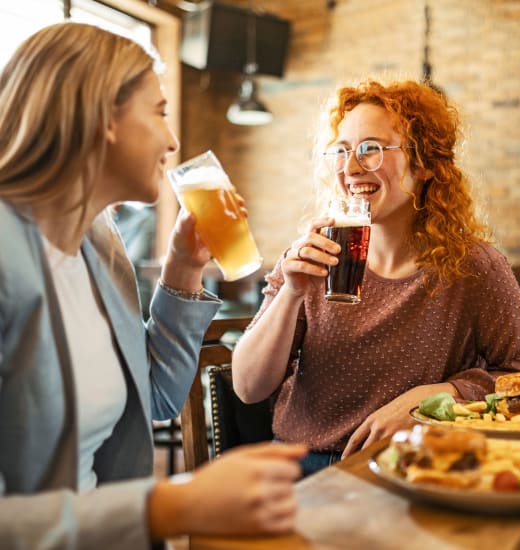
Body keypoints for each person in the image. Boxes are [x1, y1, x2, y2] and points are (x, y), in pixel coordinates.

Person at [0, 22, 306, 549]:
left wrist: (183, 269)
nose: (173, 140)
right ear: (103, 118)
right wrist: (174, 504)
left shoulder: (99, 239)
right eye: (160, 112)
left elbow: (157, 397)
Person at [231, 78, 520, 476]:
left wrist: (434, 399)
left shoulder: (475, 266)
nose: (350, 168)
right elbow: (247, 387)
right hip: (301, 467)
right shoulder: (311, 254)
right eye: (342, 151)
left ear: (426, 163)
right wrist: (291, 293)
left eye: (371, 150)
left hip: (415, 468)